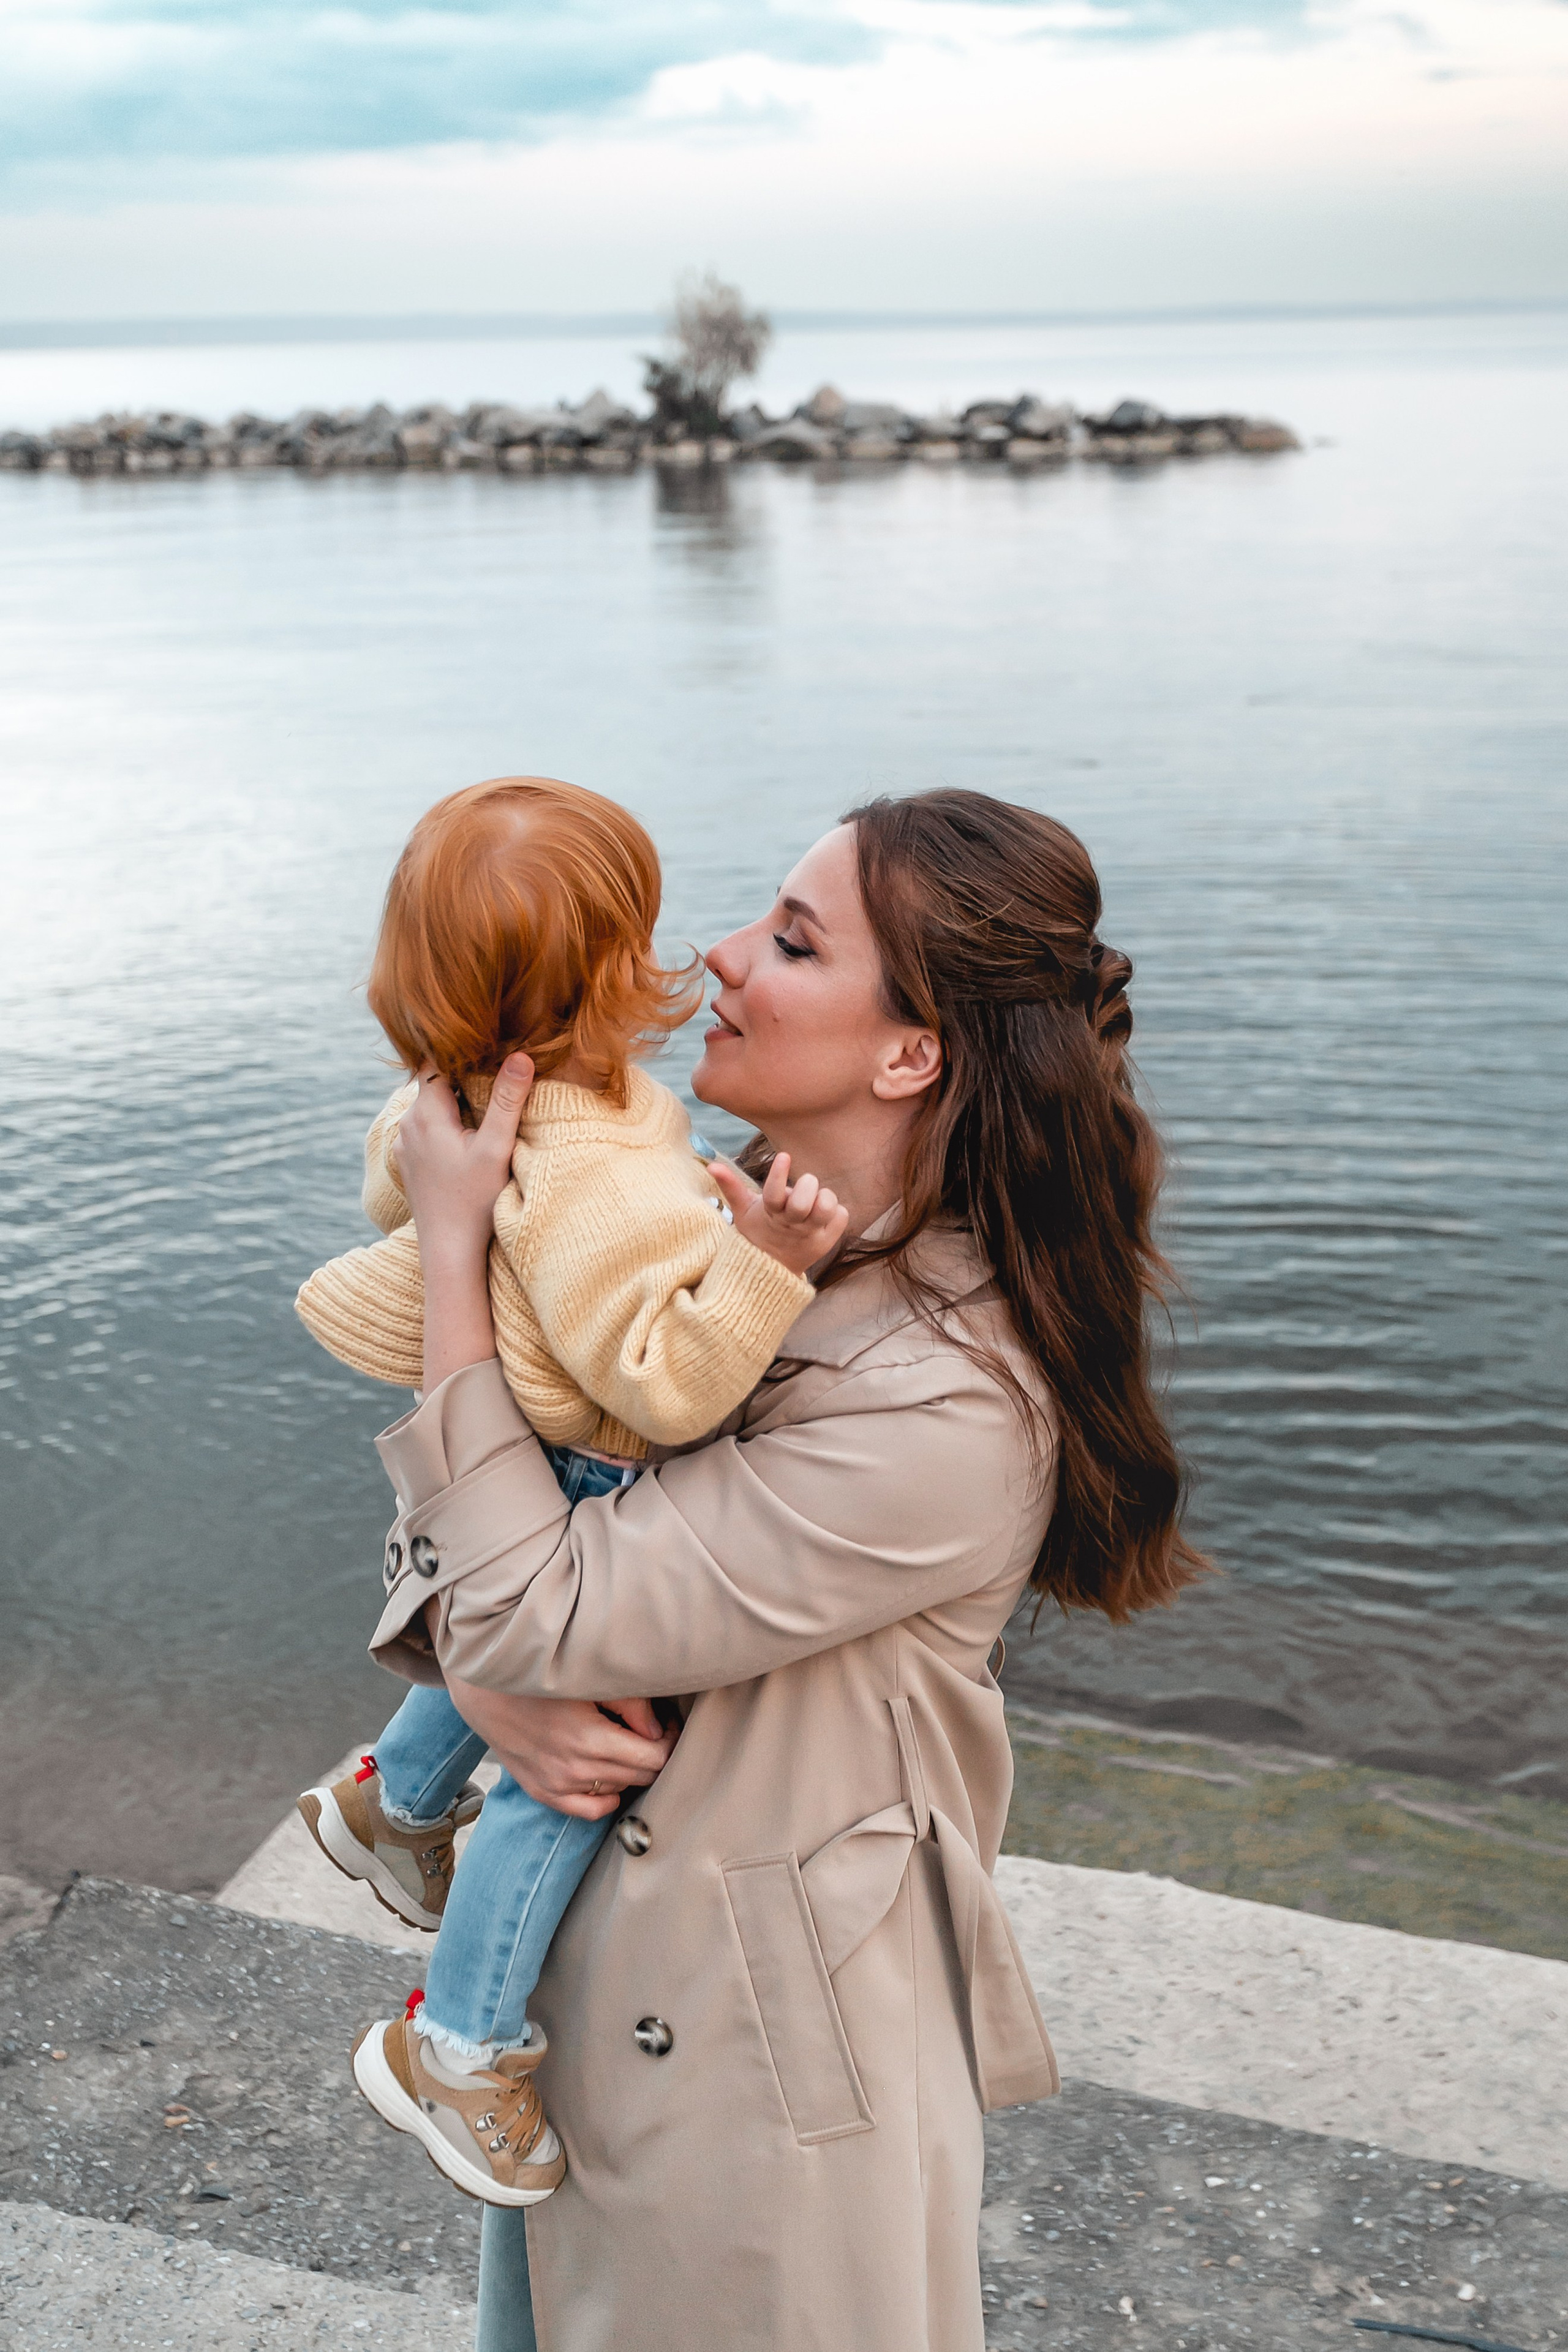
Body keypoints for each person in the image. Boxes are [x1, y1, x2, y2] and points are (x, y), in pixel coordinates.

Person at [362, 790, 1206, 2352]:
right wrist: (487, 1675)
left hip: (762, 2077)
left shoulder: (949, 1402)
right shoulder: (711, 1240)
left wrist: (450, 1257)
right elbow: (522, 1517)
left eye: (793, 941)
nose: (720, 958)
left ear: (909, 1054)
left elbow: (530, 1582)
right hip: (604, 2008)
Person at [292, 775, 847, 2206]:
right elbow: (665, 1383)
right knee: (574, 1775)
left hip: (526, 1448)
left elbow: (391, 1194)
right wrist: (762, 1266)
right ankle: (460, 2047)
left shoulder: (480, 1096)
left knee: (523, 1720)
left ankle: (389, 1801)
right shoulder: (597, 1165)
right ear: (615, 969)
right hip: (590, 1469)